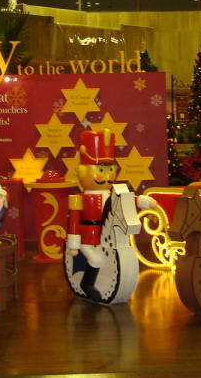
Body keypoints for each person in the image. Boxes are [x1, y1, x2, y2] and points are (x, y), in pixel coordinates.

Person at [66, 129, 156, 301]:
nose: (107, 176)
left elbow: (127, 200)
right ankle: (86, 284)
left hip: (108, 236)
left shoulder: (113, 194)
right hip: (87, 238)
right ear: (84, 172)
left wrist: (144, 201)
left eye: (110, 170)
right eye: (101, 170)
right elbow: (74, 221)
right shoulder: (79, 198)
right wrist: (74, 244)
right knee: (96, 260)